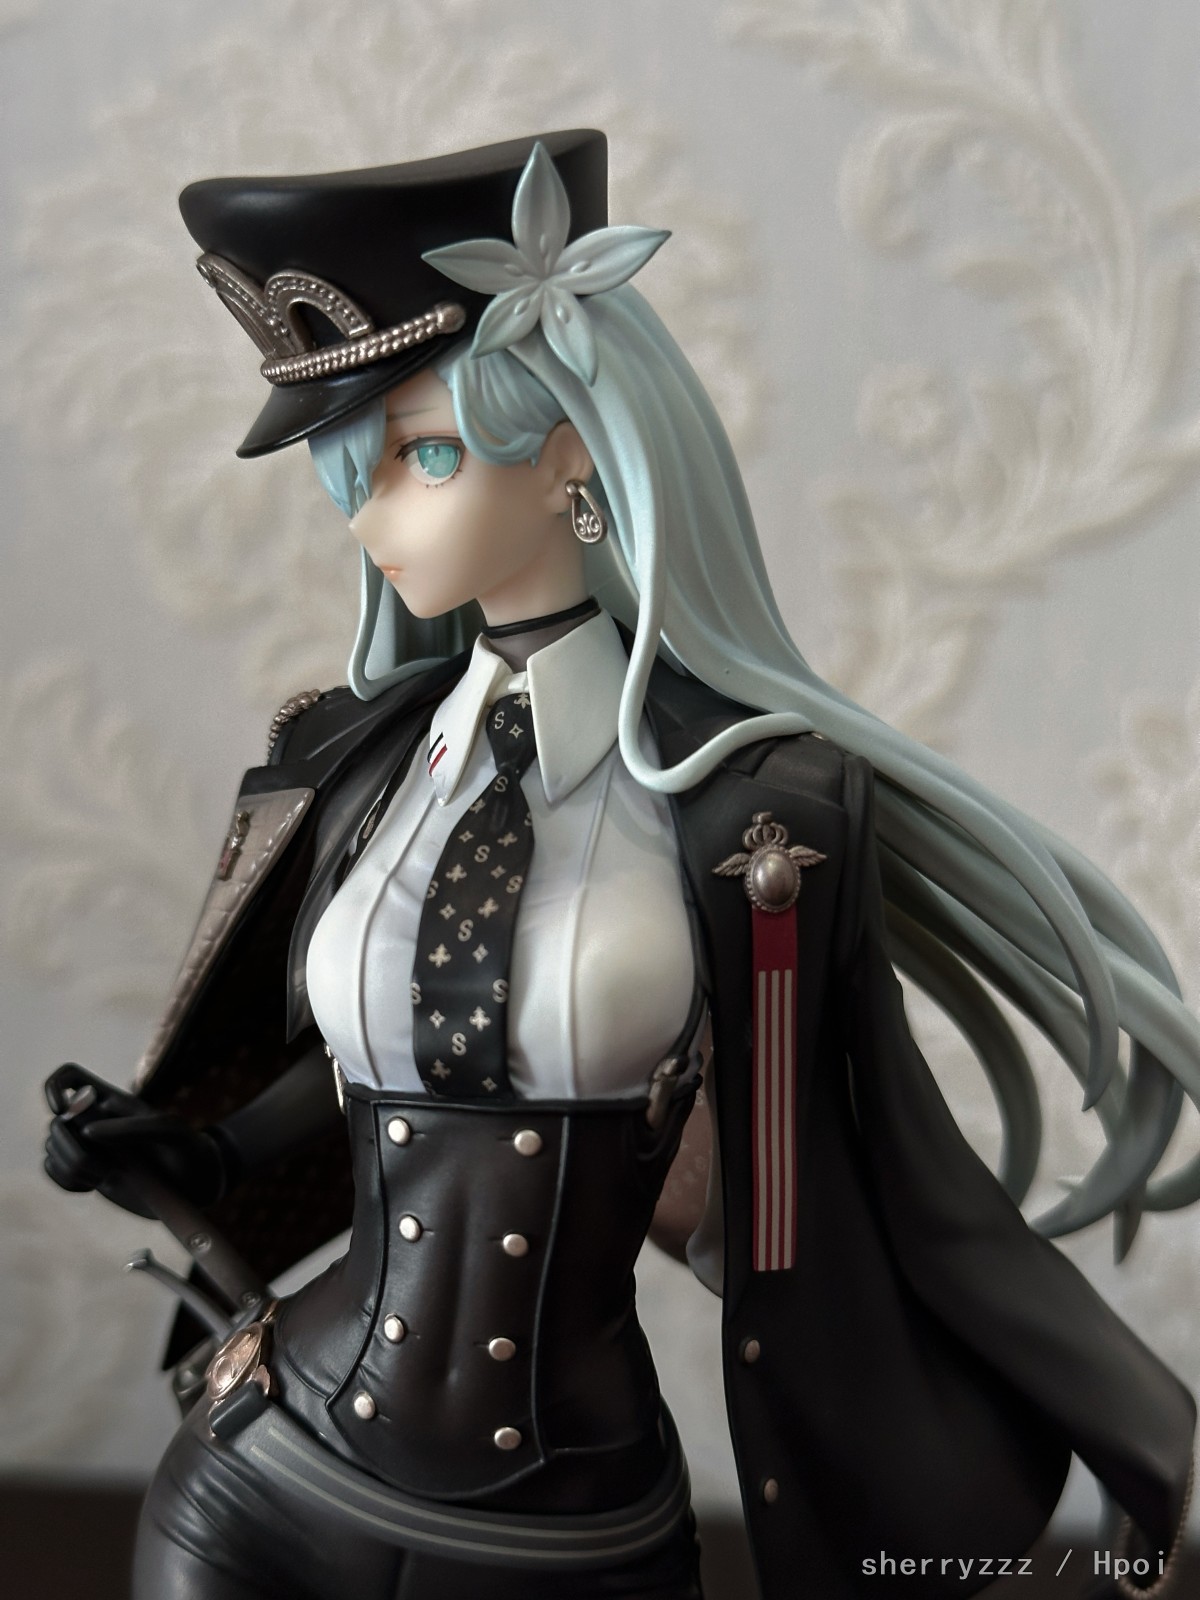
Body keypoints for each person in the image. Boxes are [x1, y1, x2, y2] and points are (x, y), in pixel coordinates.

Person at [43, 130, 1197, 1600]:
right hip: (265, 1475)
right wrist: (193, 1153)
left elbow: (877, 1169)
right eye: (356, 468)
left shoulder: (755, 818)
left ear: (570, 448)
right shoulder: (350, 760)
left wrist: (1124, 1419)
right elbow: (381, 1070)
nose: (372, 511)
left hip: (569, 1528)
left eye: (425, 453)